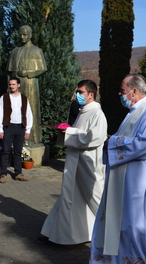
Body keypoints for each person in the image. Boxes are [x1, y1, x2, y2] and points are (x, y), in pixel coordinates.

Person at [90, 74, 146, 263]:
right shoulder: (135, 112)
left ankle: (145, 256)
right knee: (123, 223)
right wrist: (113, 140)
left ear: (134, 91)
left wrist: (111, 141)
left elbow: (145, 144)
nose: (120, 93)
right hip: (127, 179)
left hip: (140, 180)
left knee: (134, 224)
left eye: (122, 90)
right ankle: (120, 257)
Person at [40, 80, 107, 245]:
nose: (77, 95)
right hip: (75, 165)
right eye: (77, 91)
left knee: (95, 200)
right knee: (69, 198)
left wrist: (69, 132)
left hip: (88, 165)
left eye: (81, 92)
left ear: (91, 95)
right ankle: (59, 234)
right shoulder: (83, 112)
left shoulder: (97, 114)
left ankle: (112, 230)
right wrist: (66, 131)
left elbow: (94, 137)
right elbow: (80, 133)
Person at [7, 25, 47, 145]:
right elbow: (9, 72)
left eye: (25, 34)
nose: (22, 37)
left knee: (31, 109)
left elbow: (42, 68)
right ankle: (17, 139)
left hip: (30, 84)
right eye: (20, 34)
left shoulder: (36, 50)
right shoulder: (14, 51)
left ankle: (32, 139)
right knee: (16, 110)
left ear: (30, 35)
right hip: (16, 86)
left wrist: (28, 73)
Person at [0, 77, 33, 183]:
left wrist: (28, 129)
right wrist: (0, 129)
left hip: (21, 127)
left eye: (13, 84)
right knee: (5, 151)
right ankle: (3, 174)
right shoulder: (4, 97)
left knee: (18, 151)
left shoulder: (24, 98)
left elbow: (28, 114)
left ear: (18, 85)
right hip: (8, 127)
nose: (11, 86)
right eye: (10, 84)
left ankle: (18, 173)